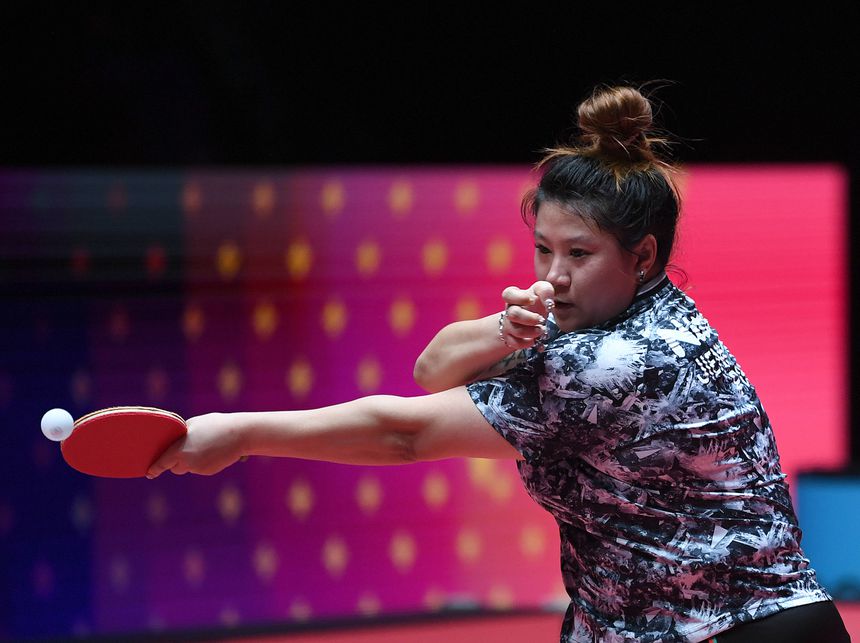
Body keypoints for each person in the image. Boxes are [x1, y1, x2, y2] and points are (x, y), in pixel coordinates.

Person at [147, 84, 850, 642]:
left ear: (642, 256)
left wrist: (238, 434)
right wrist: (502, 328)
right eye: (543, 248)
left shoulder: (616, 361)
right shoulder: (620, 315)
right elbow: (432, 368)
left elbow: (407, 431)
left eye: (579, 254)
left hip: (738, 630)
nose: (554, 273)